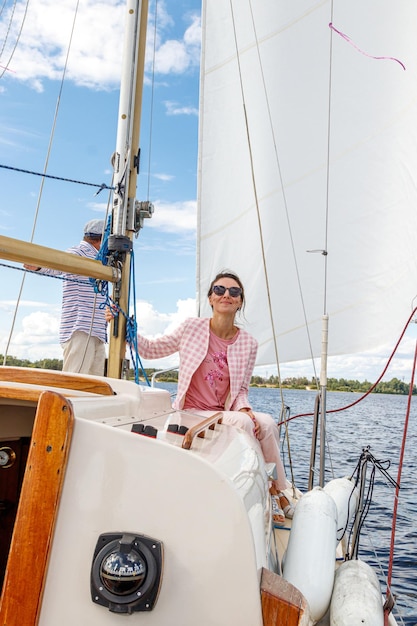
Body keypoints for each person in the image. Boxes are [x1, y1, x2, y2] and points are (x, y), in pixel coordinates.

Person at [106, 270, 293, 525]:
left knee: (268, 422)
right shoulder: (191, 328)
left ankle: (277, 490)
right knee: (245, 424)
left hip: (222, 411)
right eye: (219, 290)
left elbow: (240, 391)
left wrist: (245, 408)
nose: (226, 294)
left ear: (240, 301)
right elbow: (152, 349)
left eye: (234, 292)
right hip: (191, 411)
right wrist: (125, 330)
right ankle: (272, 493)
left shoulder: (248, 343)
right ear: (211, 299)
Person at [24, 219, 108, 376]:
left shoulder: (100, 258)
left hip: (97, 331)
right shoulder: (78, 252)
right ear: (102, 239)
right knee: (74, 382)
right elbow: (57, 265)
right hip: (81, 327)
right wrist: (38, 265)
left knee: (95, 387)